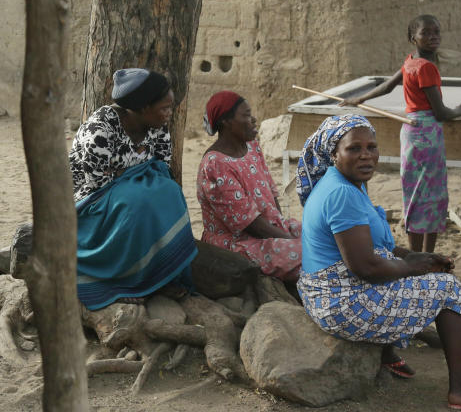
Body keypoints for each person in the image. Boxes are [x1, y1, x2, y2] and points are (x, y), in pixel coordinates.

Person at [296, 115, 461, 410]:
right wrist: (414, 267)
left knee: (400, 266)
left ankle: (386, 355)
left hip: (327, 290)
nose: (366, 155)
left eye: (372, 147)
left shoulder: (347, 182)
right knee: (448, 289)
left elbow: (380, 249)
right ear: (334, 154)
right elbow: (366, 268)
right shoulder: (341, 193)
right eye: (354, 149)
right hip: (338, 303)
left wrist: (414, 258)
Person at [341, 14, 461, 253]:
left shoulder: (411, 61)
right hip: (428, 133)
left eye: (436, 32)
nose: (433, 37)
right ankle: (427, 255)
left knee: (414, 191)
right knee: (432, 194)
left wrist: (360, 98)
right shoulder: (427, 68)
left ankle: (414, 254)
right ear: (413, 38)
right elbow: (440, 112)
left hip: (411, 132)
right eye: (426, 33)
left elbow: (388, 86)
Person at [69, 68, 197, 310]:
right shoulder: (100, 129)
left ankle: (160, 275)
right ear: (142, 108)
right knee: (135, 204)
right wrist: (134, 182)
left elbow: (160, 166)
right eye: (164, 108)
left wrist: (128, 178)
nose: (170, 113)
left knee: (169, 191)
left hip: (130, 191)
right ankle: (122, 282)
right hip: (89, 204)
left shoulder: (157, 127)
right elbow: (96, 183)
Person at [196, 91, 302, 282]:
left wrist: (282, 227)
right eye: (245, 115)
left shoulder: (252, 146)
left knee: (325, 236)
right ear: (226, 122)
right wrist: (288, 240)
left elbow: (270, 191)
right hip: (239, 243)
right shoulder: (215, 165)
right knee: (311, 254)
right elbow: (250, 224)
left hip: (270, 229)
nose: (253, 119)